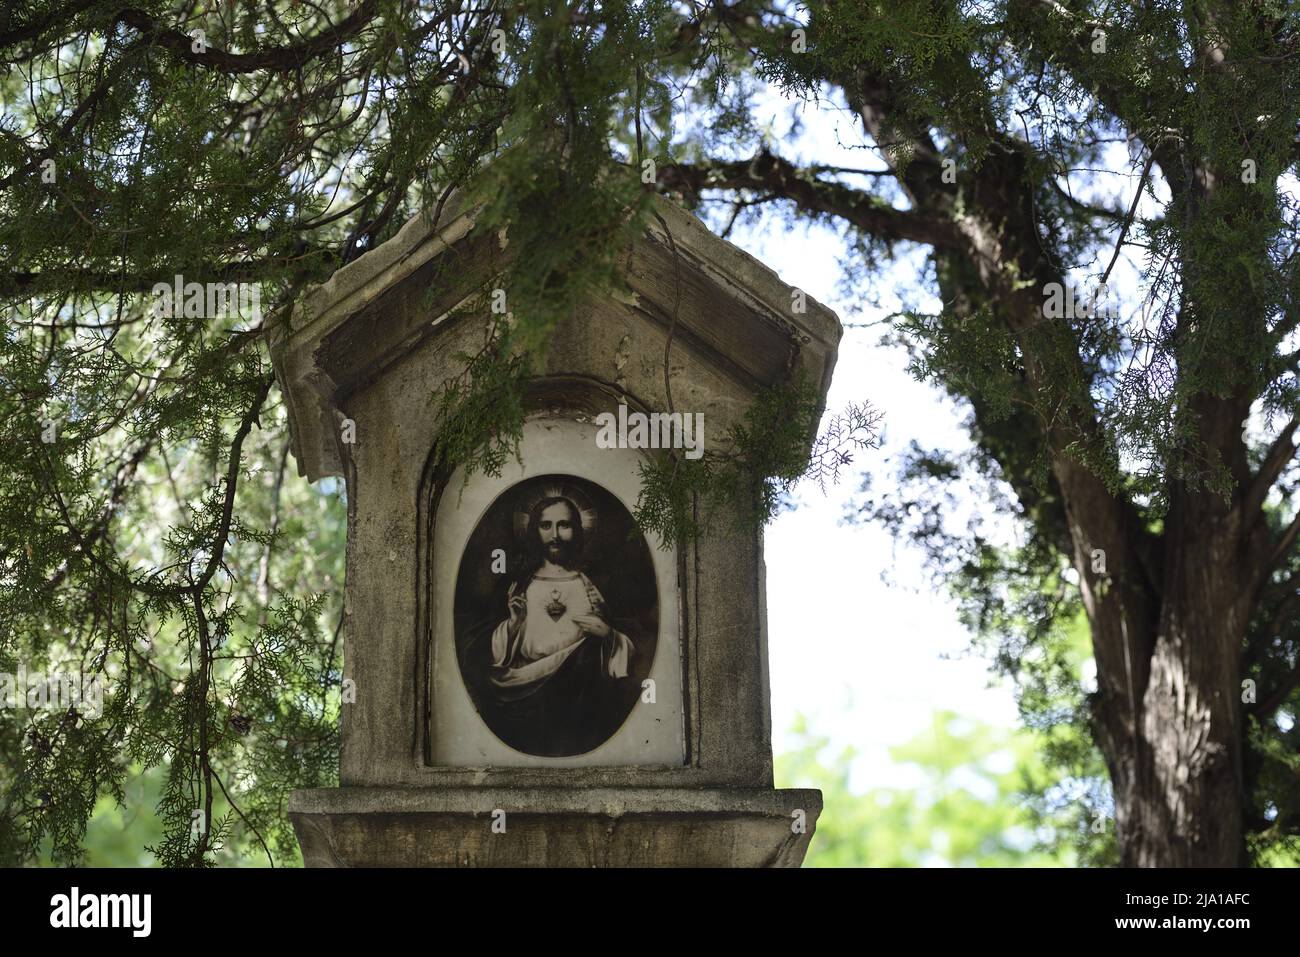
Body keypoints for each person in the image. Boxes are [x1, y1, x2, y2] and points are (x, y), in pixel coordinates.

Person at [480, 495, 635, 755]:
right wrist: (514, 624)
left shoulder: (591, 584)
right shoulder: (518, 584)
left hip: (580, 699)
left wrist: (607, 634)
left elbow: (627, 640)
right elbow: (493, 655)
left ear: (577, 529)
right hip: (525, 698)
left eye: (563, 525)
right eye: (545, 525)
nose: (554, 535)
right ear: (533, 530)